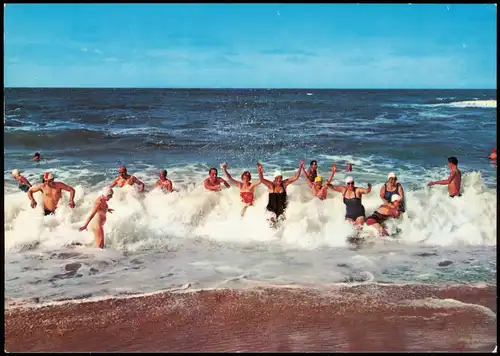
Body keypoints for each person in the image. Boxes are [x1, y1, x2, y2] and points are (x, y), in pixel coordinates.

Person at [257, 161, 304, 226]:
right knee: (272, 222)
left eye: (281, 178)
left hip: (281, 211)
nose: (280, 180)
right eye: (278, 178)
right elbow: (261, 179)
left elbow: (296, 177)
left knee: (283, 223)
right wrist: (259, 169)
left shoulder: (284, 184)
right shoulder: (271, 186)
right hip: (271, 210)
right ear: (275, 178)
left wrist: (300, 167)